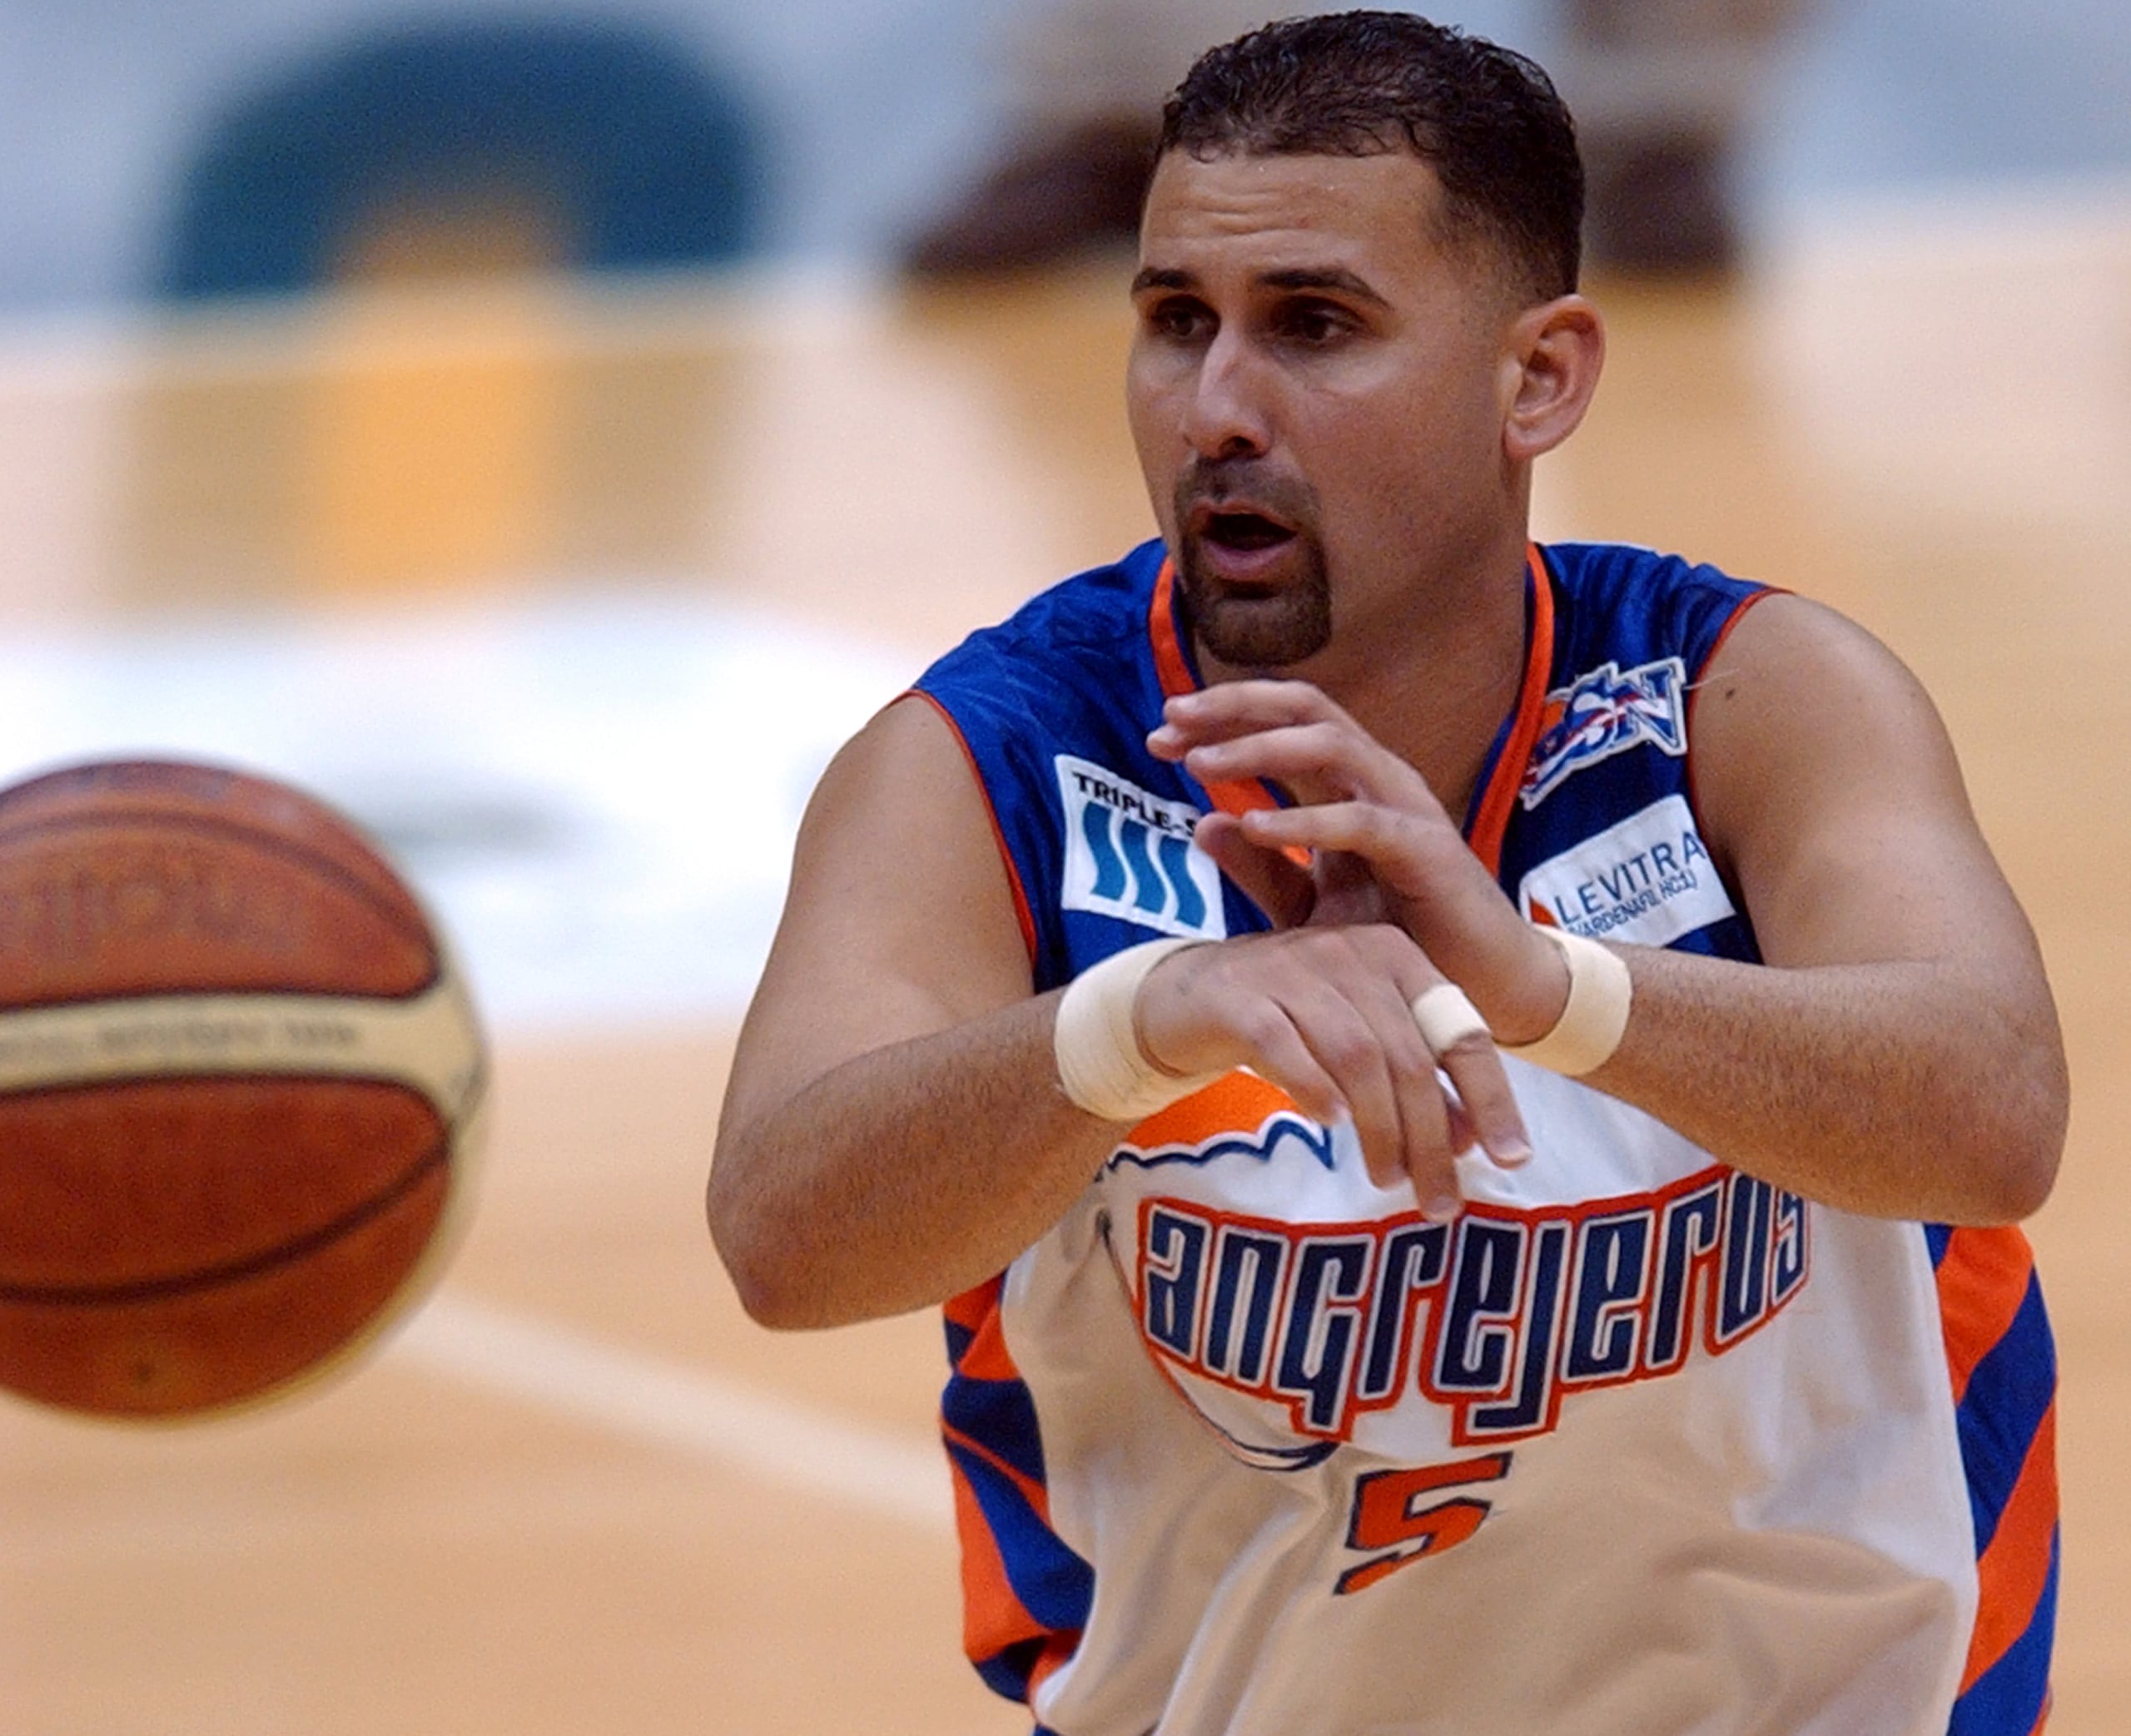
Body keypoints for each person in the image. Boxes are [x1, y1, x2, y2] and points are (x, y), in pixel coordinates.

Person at [711, 13, 2064, 1734]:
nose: (1215, 408)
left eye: (1313, 327)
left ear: (1537, 377)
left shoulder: (1744, 701)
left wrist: (1544, 988)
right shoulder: (986, 766)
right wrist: (1141, 1019)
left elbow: (1990, 1107)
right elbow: (780, 1230)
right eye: (1173, 322)